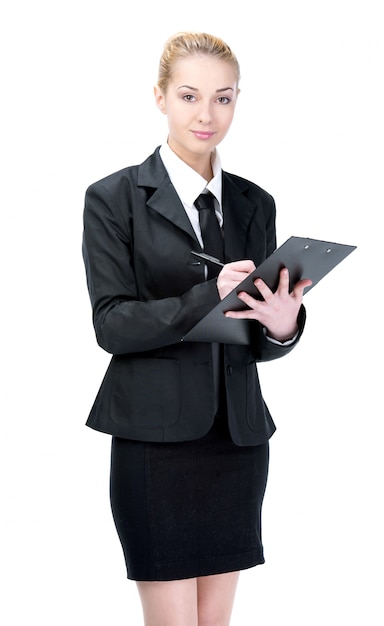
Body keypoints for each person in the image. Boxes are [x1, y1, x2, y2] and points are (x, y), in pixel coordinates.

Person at [82, 31, 312, 626]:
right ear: (160, 97)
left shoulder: (254, 203)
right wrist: (204, 295)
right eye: (189, 96)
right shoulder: (114, 198)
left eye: (223, 98)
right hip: (154, 440)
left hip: (235, 440)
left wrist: (283, 326)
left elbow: (253, 339)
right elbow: (112, 324)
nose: (206, 115)